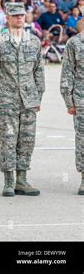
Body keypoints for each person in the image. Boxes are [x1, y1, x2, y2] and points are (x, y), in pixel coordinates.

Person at [0, 2, 45, 197]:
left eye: (21, 15)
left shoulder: (33, 42)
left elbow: (39, 72)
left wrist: (38, 96)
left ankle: (22, 179)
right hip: (6, 99)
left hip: (28, 100)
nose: (19, 18)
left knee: (26, 140)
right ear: (7, 18)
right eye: (15, 15)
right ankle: (9, 181)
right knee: (8, 139)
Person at [60, 20, 84, 195]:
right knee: (83, 140)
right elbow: (67, 72)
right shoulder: (74, 43)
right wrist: (69, 101)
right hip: (81, 99)